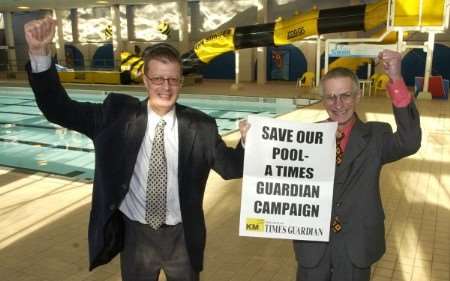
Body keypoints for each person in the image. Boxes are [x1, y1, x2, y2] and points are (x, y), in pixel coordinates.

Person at [25, 16, 247, 281]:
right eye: (158, 79)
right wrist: (39, 54)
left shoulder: (201, 126)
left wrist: (247, 143)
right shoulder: (115, 116)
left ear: (181, 82)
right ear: (145, 80)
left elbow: (231, 167)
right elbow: (57, 108)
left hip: (182, 237)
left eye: (173, 80)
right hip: (136, 236)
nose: (166, 87)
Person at [293, 50, 421, 281]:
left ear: (358, 96)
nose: (338, 104)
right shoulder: (307, 137)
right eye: (331, 97)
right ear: (323, 99)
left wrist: (396, 80)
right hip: (313, 246)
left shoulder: (375, 136)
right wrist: (252, 144)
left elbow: (410, 141)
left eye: (345, 95)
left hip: (356, 245)